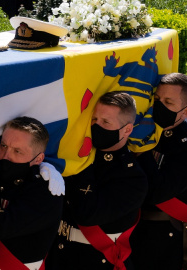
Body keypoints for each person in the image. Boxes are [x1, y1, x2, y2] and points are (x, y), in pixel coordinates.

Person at [46, 91, 147, 270]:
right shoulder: (80, 156)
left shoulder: (132, 176)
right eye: (94, 120)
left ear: (127, 129)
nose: (96, 126)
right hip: (60, 254)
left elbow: (88, 214)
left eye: (105, 122)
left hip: (95, 260)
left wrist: (81, 164)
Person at [130, 73, 187, 270]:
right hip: (134, 234)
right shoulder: (152, 132)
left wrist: (142, 149)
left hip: (165, 245)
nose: (159, 105)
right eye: (157, 99)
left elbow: (157, 191)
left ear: (186, 111)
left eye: (168, 102)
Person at [0, 116, 63, 270]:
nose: (6, 156)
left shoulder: (46, 190)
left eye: (17, 151)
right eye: (3, 146)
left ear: (38, 159)